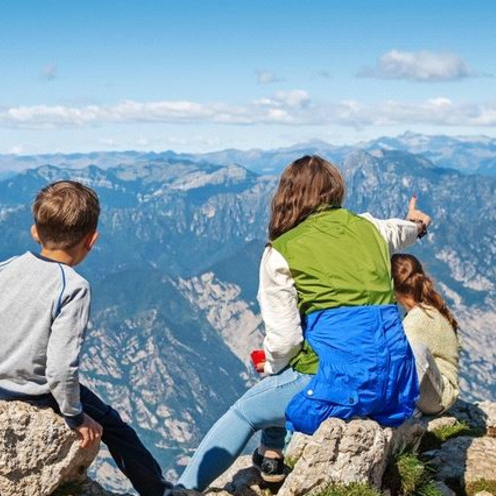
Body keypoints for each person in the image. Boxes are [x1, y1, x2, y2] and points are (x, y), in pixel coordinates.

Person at [176, 155, 430, 491]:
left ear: (287, 197)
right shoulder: (371, 228)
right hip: (395, 383)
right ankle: (271, 459)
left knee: (245, 411)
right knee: (291, 367)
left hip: (342, 385)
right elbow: (403, 231)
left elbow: (284, 343)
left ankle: (181, 490)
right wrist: (418, 224)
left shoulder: (282, 252)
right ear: (335, 191)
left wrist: (269, 364)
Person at [0, 180, 169, 496]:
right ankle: (159, 491)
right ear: (91, 240)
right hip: (36, 392)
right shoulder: (73, 287)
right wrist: (76, 416)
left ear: (35, 232)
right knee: (116, 428)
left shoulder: (2, 268)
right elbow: (60, 369)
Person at [391, 253, 461, 415]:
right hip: (434, 391)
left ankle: (404, 410)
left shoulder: (419, 319)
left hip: (437, 397)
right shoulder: (426, 310)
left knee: (413, 351)